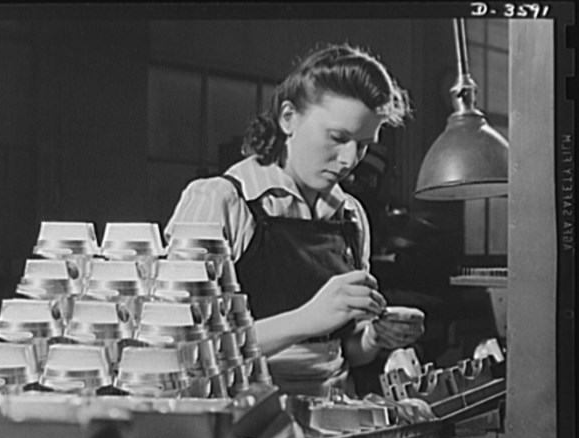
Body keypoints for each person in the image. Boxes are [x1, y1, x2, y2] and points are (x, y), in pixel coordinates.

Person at [165, 43, 424, 397]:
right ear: (289, 117)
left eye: (363, 145)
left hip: (332, 413)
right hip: (246, 416)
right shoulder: (221, 200)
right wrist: (307, 319)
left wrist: (375, 336)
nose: (349, 160)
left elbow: (345, 352)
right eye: (337, 138)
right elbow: (179, 353)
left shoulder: (350, 215)